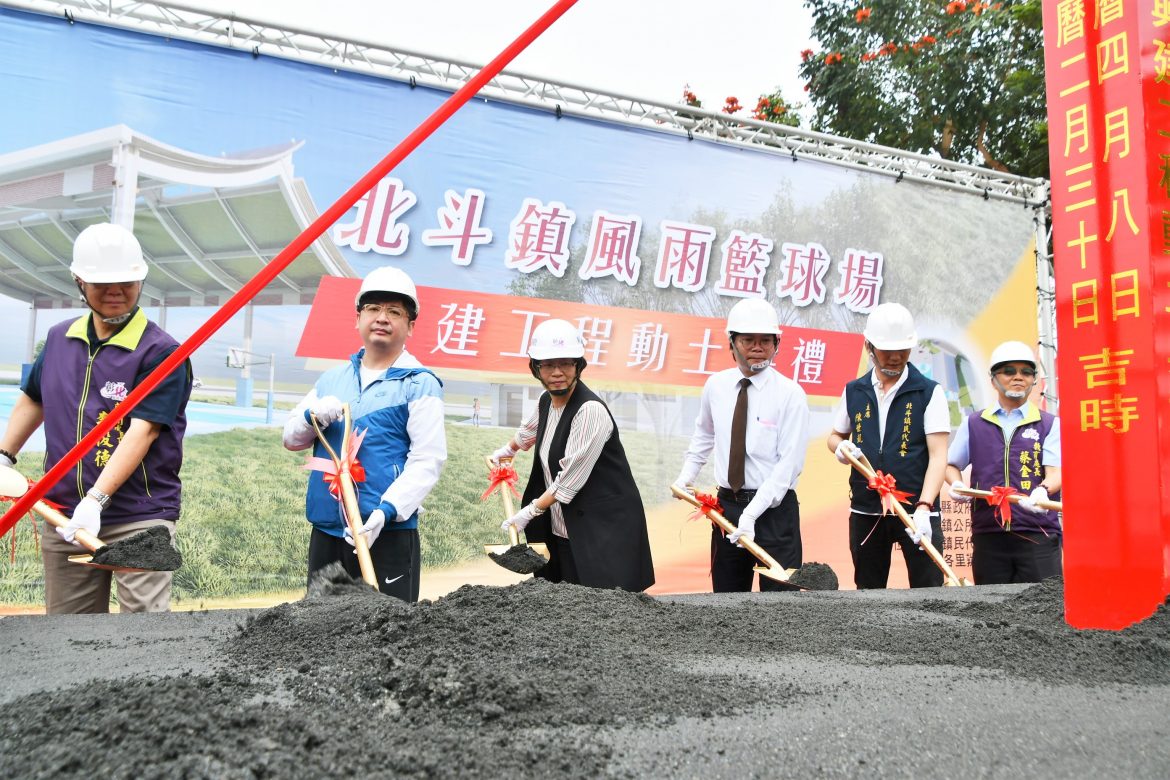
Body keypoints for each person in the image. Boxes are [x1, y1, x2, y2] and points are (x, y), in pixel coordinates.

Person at [0, 222, 191, 614]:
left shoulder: (162, 353)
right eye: (102, 284)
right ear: (79, 281)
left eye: (127, 282)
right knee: (68, 632)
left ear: (141, 279)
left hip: (139, 517)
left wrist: (97, 499)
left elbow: (144, 431)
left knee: (144, 633)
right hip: (64, 512)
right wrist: (5, 454)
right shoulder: (58, 338)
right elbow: (34, 398)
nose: (116, 292)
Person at [283, 266, 446, 602]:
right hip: (327, 534)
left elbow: (428, 460)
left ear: (410, 325)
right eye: (373, 309)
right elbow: (291, 439)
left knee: (387, 635)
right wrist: (308, 417)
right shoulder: (331, 379)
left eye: (394, 312)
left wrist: (385, 512)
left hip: (385, 534)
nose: (381, 318)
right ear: (357, 318)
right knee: (320, 632)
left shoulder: (419, 384)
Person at [490, 318, 654, 592]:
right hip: (564, 528)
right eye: (548, 365)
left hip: (602, 530)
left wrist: (530, 511)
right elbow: (529, 431)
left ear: (578, 365)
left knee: (603, 607)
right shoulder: (547, 401)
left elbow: (568, 481)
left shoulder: (590, 411)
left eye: (566, 363)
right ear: (535, 369)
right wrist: (509, 450)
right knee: (564, 602)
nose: (557, 372)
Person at [673, 298, 809, 593]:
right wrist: (686, 477)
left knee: (781, 607)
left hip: (774, 513)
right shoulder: (716, 386)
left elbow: (789, 465)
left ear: (777, 344)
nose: (757, 347)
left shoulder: (790, 394)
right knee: (728, 602)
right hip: (728, 509)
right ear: (731, 343)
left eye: (765, 341)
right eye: (748, 340)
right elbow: (704, 436)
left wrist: (752, 514)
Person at [826, 302, 948, 589]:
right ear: (869, 346)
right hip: (867, 509)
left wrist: (924, 506)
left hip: (916, 509)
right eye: (886, 350)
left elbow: (938, 456)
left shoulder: (929, 392)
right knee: (868, 590)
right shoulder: (854, 390)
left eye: (902, 351)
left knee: (928, 590)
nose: (895, 357)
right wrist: (841, 449)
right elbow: (835, 436)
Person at [945, 341, 1062, 584]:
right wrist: (956, 484)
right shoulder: (974, 423)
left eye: (1026, 372)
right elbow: (950, 464)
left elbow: (1056, 472)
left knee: (1044, 611)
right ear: (994, 379)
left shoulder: (1049, 424)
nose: (1018, 377)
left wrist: (1043, 490)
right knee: (992, 611)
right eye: (1009, 371)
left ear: (1034, 380)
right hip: (989, 535)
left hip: (1038, 534)